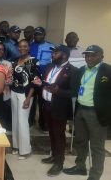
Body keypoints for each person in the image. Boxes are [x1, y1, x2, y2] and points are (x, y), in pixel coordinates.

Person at [63, 45, 111, 180]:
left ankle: (95, 175)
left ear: (101, 56)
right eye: (87, 55)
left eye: (93, 55)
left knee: (97, 147)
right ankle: (80, 167)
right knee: (80, 141)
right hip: (80, 111)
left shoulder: (108, 70)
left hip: (96, 114)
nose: (89, 58)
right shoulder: (82, 70)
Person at [33, 44, 77, 177]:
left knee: (59, 135)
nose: (52, 55)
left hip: (60, 107)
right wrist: (41, 84)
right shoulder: (50, 67)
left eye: (55, 53)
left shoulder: (73, 70)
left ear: (64, 54)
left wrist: (59, 91)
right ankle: (53, 156)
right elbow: (48, 84)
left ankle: (59, 163)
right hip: (46, 105)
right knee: (51, 133)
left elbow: (74, 92)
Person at [10, 39, 39, 160]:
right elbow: (13, 77)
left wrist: (28, 98)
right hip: (14, 92)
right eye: (20, 46)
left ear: (28, 47)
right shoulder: (16, 60)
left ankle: (25, 150)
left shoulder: (33, 61)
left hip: (25, 94)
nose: (22, 48)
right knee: (15, 120)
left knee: (22, 121)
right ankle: (16, 146)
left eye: (25, 46)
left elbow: (35, 82)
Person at [29, 26, 54, 131]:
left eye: (40, 34)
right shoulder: (30, 46)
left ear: (44, 35)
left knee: (43, 101)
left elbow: (54, 62)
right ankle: (30, 121)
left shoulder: (51, 46)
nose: (37, 36)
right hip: (32, 76)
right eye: (36, 34)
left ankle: (44, 124)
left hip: (45, 78)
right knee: (30, 99)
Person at [0, 42, 13, 129]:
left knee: (2, 121)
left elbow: (10, 81)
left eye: (1, 49)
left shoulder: (7, 64)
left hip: (4, 96)